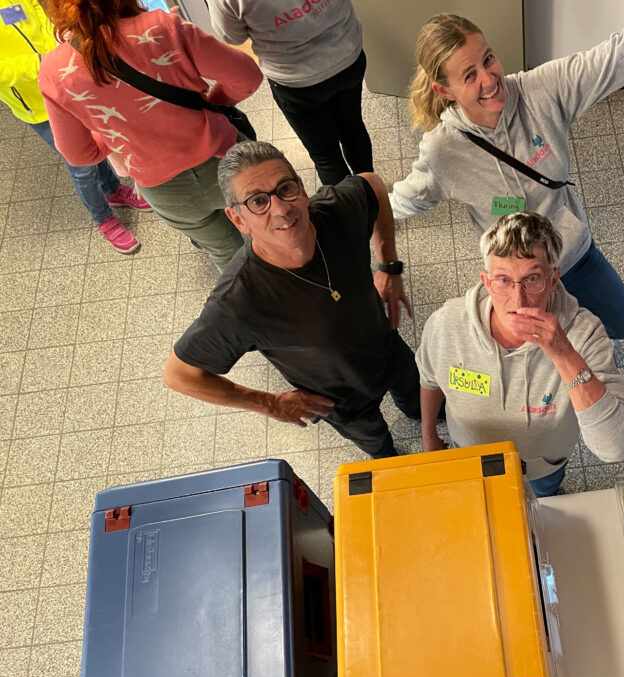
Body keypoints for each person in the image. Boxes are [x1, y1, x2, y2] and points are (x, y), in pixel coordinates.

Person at [390, 0, 624, 340]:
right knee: (541, 349)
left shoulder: (542, 92)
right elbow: (404, 199)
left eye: (488, 59)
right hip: (516, 280)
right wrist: (364, 216)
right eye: (469, 75)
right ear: (444, 90)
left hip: (572, 254)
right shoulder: (443, 151)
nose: (489, 80)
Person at [163, 140, 418, 459]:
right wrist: (269, 403)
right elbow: (178, 375)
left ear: (302, 188)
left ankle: (422, 412)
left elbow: (372, 184)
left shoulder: (337, 212)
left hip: (389, 348)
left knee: (419, 398)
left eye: (285, 189)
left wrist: (390, 267)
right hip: (340, 400)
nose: (282, 209)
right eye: (258, 201)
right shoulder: (240, 300)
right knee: (378, 445)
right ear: (238, 219)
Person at [417, 212, 624, 496]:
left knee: (546, 493)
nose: (518, 300)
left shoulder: (584, 334)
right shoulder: (445, 324)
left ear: (553, 279)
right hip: (472, 461)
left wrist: (564, 355)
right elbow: (429, 380)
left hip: (544, 466)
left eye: (532, 278)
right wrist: (429, 437)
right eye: (503, 280)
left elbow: (615, 447)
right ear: (486, 281)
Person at [37, 0, 263, 271]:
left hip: (166, 190)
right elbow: (247, 77)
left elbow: (79, 154)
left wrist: (117, 131)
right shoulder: (161, 26)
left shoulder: (52, 72)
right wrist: (211, 105)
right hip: (225, 158)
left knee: (226, 254)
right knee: (271, 225)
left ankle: (253, 294)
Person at [1, 0, 150, 254]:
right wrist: (42, 62)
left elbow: (36, 9)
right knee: (81, 165)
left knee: (94, 141)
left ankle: (112, 189)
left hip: (65, 81)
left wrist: (56, 47)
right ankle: (103, 218)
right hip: (37, 105)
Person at [210, 0, 372, 185]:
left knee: (326, 155)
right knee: (353, 129)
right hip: (347, 54)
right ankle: (372, 192)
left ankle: (349, 201)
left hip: (295, 80)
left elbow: (232, 36)